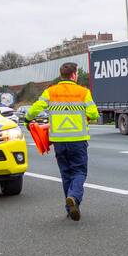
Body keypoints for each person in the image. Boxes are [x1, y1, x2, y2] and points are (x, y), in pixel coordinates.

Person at [25, 62, 99, 221]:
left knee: (66, 174)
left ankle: (70, 208)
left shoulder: (50, 92)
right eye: (77, 73)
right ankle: (74, 197)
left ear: (62, 75)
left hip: (59, 141)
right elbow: (94, 114)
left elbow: (36, 108)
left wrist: (27, 118)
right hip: (78, 140)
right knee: (79, 172)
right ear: (73, 75)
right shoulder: (83, 92)